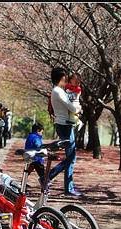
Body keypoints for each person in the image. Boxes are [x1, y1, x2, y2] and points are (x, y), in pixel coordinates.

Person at [48, 67, 82, 196]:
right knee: (71, 157)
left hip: (65, 124)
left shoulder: (58, 91)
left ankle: (69, 187)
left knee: (71, 157)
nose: (66, 79)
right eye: (65, 77)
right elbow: (72, 107)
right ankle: (50, 176)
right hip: (65, 125)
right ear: (61, 78)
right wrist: (78, 108)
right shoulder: (58, 91)